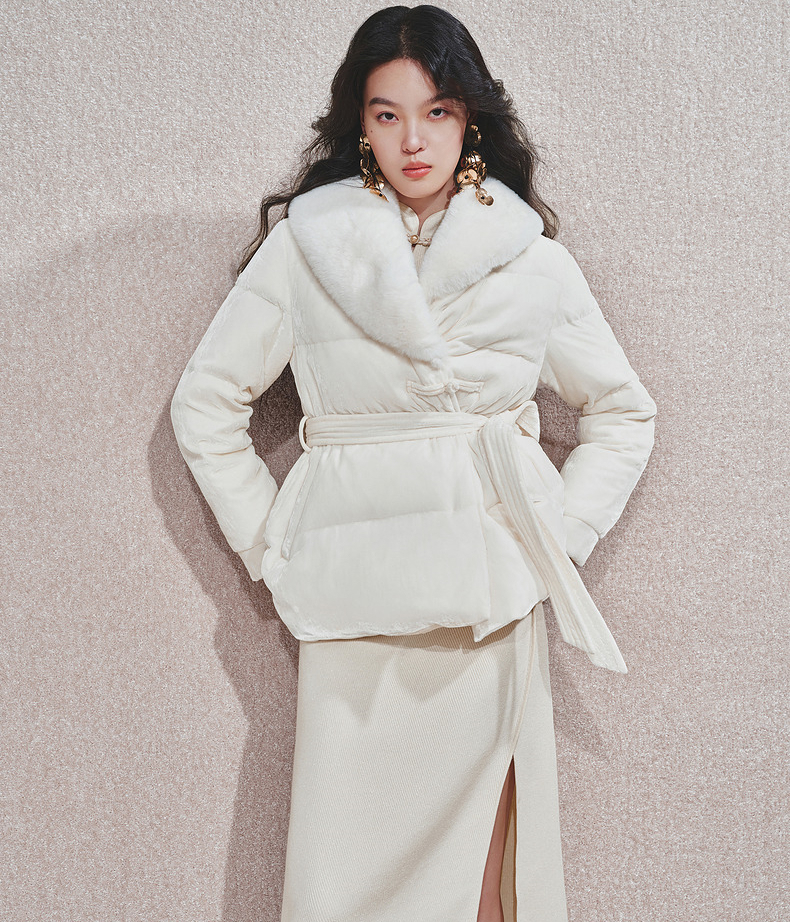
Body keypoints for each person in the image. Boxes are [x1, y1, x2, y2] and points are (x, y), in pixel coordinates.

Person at [169, 5, 657, 921]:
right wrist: (274, 546)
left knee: (480, 885)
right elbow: (205, 403)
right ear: (359, 122)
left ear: (470, 117)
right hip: (353, 603)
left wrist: (553, 538)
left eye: (436, 111)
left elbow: (624, 412)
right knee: (346, 882)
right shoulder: (307, 248)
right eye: (387, 113)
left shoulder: (531, 262)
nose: (413, 140)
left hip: (486, 604)